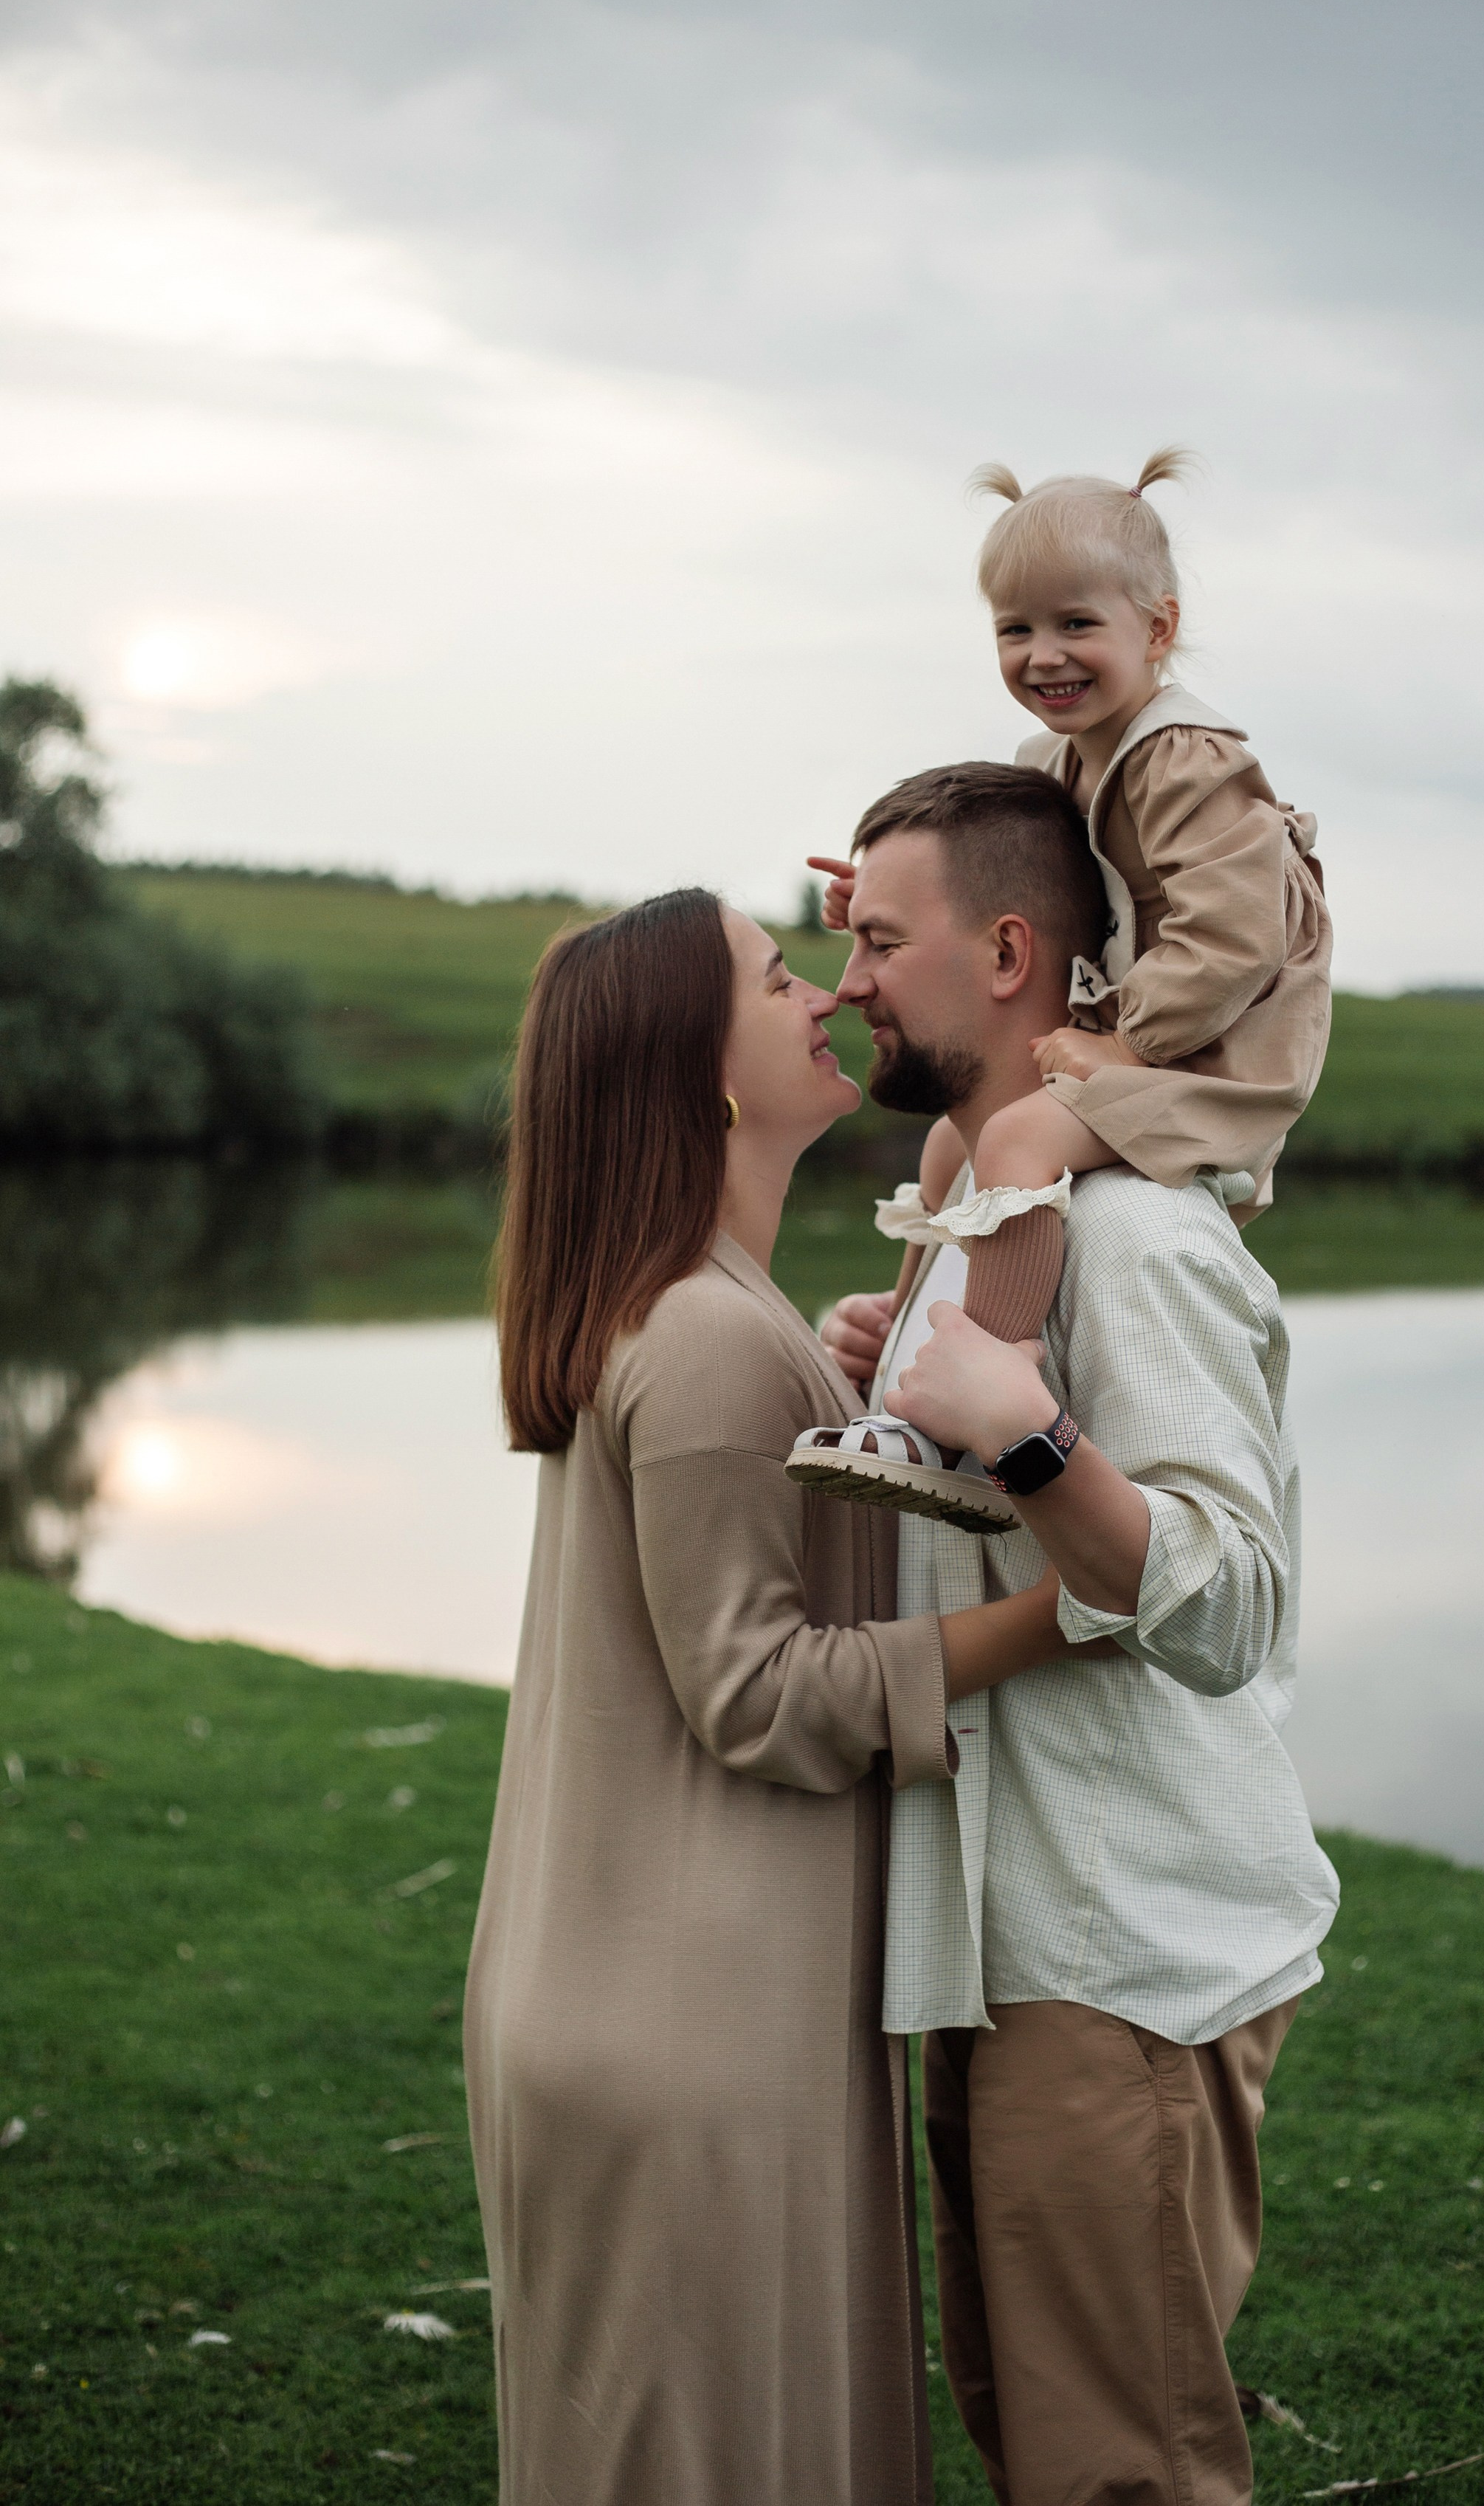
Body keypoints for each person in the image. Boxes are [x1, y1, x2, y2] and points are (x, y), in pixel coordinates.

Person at [463, 887, 1103, 2506]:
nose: (824, 992)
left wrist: (854, 1393)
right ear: (705, 1073)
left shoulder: (709, 1311)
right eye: (775, 980)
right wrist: (1068, 1613)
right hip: (691, 2021)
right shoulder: (703, 1335)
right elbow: (756, 1691)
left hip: (659, 1990)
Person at [806, 773, 1340, 2506]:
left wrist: (1035, 1440)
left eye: (883, 941)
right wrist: (888, 1367)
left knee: (1123, 2471)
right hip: (998, 1945)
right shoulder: (988, 1226)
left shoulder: (1137, 1236)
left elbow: (1238, 1602)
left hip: (1123, 1963)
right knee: (1034, 2443)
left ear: (1009, 952)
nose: (850, 980)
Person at [803, 450, 1331, 1525]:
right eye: (1015, 629)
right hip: (1146, 1036)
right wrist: (882, 902)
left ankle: (990, 1382)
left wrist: (1126, 1044)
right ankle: (911, 1363)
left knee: (1013, 1140)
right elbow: (1003, 874)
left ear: (1158, 627)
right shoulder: (1056, 761)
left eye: (1075, 624)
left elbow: (1233, 940)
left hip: (1215, 1049)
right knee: (950, 1150)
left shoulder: (1185, 759)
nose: (1043, 655)